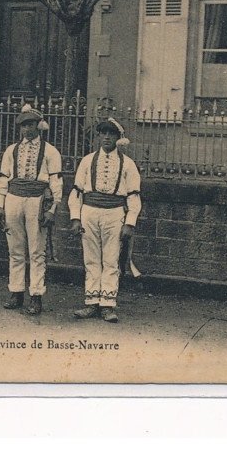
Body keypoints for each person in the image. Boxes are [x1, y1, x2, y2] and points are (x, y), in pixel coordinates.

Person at [68, 118, 142, 323]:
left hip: (114, 213)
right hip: (89, 212)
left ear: (118, 138)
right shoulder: (87, 160)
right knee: (91, 258)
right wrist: (75, 218)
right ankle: (91, 303)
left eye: (111, 134)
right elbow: (76, 192)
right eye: (103, 133)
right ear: (99, 136)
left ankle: (107, 305)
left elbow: (134, 195)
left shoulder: (128, 164)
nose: (107, 137)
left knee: (111, 259)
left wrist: (129, 222)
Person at [0, 103, 63, 315]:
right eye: (23, 125)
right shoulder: (11, 150)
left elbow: (56, 181)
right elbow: (3, 178)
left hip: (37, 200)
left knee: (36, 250)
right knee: (15, 250)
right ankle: (16, 292)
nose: (27, 129)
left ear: (39, 125)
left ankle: (36, 295)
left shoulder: (50, 151)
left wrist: (52, 209)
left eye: (31, 124)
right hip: (13, 199)